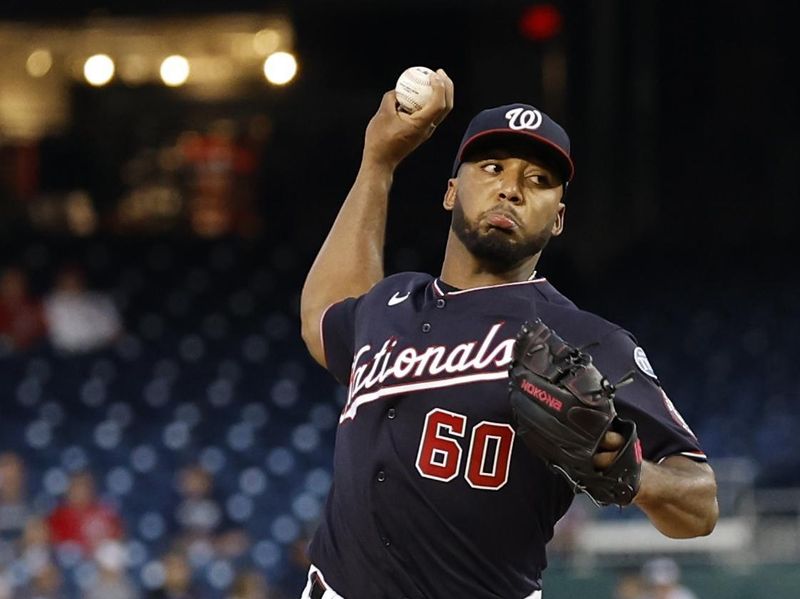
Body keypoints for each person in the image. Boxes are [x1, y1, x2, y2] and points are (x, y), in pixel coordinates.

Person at [299, 69, 718, 598]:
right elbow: (324, 316)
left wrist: (624, 465)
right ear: (452, 191)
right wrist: (378, 161)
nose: (512, 189)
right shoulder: (391, 302)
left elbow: (700, 506)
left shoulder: (583, 339)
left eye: (539, 181)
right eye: (492, 167)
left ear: (558, 218)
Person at [43, 264, 122, 353]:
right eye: (67, 279)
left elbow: (115, 333)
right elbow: (62, 338)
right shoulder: (51, 302)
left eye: (75, 278)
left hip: (102, 351)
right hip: (67, 354)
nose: (72, 282)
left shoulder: (101, 300)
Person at [47, 470, 124, 556]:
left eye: (83, 486)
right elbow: (52, 546)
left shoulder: (104, 513)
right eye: (75, 486)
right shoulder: (57, 516)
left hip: (96, 563)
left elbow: (118, 540)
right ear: (68, 490)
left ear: (91, 490)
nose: (79, 491)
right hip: (66, 562)